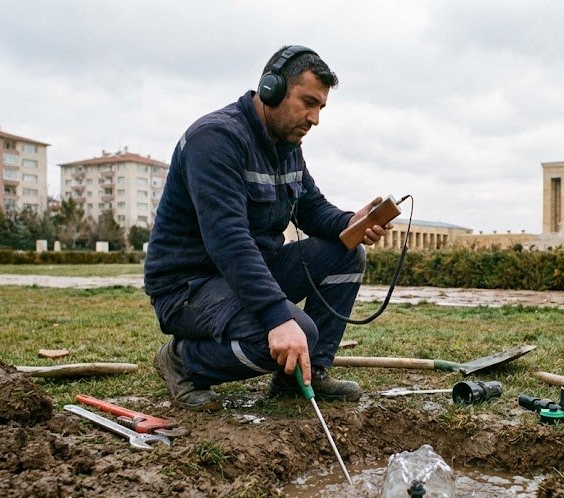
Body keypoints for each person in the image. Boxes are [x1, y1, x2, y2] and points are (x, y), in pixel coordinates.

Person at [144, 45, 390, 412]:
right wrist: (278, 317)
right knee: (296, 331)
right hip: (189, 287)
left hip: (252, 272)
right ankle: (182, 360)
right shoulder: (214, 140)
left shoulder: (288, 144)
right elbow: (229, 241)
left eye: (321, 108)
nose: (315, 118)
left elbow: (311, 209)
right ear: (271, 88)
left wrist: (350, 222)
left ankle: (307, 375)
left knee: (348, 252)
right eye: (308, 102)